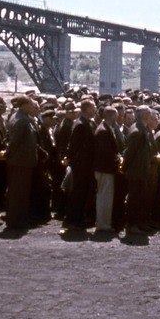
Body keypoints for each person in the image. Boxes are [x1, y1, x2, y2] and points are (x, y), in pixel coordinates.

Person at [4, 96, 39, 232]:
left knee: (20, 192)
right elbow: (14, 142)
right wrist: (7, 153)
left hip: (22, 161)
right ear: (24, 105)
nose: (33, 107)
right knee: (18, 193)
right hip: (20, 162)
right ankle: (16, 221)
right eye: (31, 104)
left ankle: (18, 219)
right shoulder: (21, 120)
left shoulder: (21, 117)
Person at [122, 105, 158, 237]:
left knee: (140, 198)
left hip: (142, 170)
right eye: (149, 114)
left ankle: (139, 223)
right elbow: (130, 153)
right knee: (134, 199)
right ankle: (132, 225)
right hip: (136, 171)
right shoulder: (137, 131)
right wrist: (125, 168)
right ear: (145, 116)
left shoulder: (142, 129)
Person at [64, 99, 97, 235]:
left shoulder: (85, 123)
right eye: (93, 107)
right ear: (87, 108)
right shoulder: (80, 125)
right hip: (81, 166)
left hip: (84, 165)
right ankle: (73, 221)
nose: (95, 109)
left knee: (82, 193)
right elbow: (73, 147)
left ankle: (76, 220)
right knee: (78, 193)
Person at [93, 106, 121, 235]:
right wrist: (117, 159)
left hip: (105, 168)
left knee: (104, 196)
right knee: (104, 197)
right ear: (113, 116)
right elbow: (105, 153)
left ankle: (104, 223)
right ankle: (103, 224)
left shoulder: (104, 128)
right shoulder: (104, 131)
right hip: (105, 169)